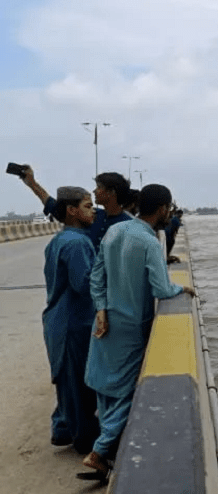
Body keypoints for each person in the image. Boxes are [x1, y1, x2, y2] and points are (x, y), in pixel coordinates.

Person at [82, 184, 196, 474]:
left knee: (107, 387)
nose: (169, 212)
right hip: (132, 327)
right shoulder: (149, 243)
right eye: (168, 208)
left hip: (106, 322)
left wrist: (101, 308)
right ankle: (99, 451)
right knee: (129, 390)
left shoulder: (114, 232)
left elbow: (96, 277)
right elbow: (161, 288)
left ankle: (106, 449)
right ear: (162, 209)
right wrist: (181, 287)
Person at [42, 187, 101, 454]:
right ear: (72, 210)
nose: (93, 211)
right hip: (72, 325)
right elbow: (84, 284)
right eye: (88, 206)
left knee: (67, 385)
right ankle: (86, 444)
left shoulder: (61, 239)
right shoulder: (77, 243)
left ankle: (63, 429)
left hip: (59, 320)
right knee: (78, 389)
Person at [21, 166, 133, 251]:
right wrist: (32, 184)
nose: (94, 191)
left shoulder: (128, 226)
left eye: (99, 187)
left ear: (111, 192)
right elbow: (54, 206)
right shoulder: (91, 216)